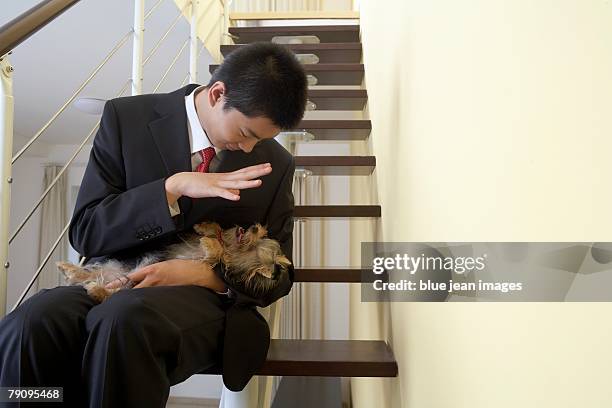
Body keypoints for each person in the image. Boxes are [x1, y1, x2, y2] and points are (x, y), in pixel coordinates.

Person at [0, 42, 307, 407]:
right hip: (113, 279)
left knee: (124, 320)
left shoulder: (276, 164)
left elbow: (280, 276)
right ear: (217, 93)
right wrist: (169, 190)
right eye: (244, 133)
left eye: (260, 139)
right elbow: (87, 231)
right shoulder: (125, 118)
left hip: (203, 301)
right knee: (31, 321)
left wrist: (199, 274)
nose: (248, 149)